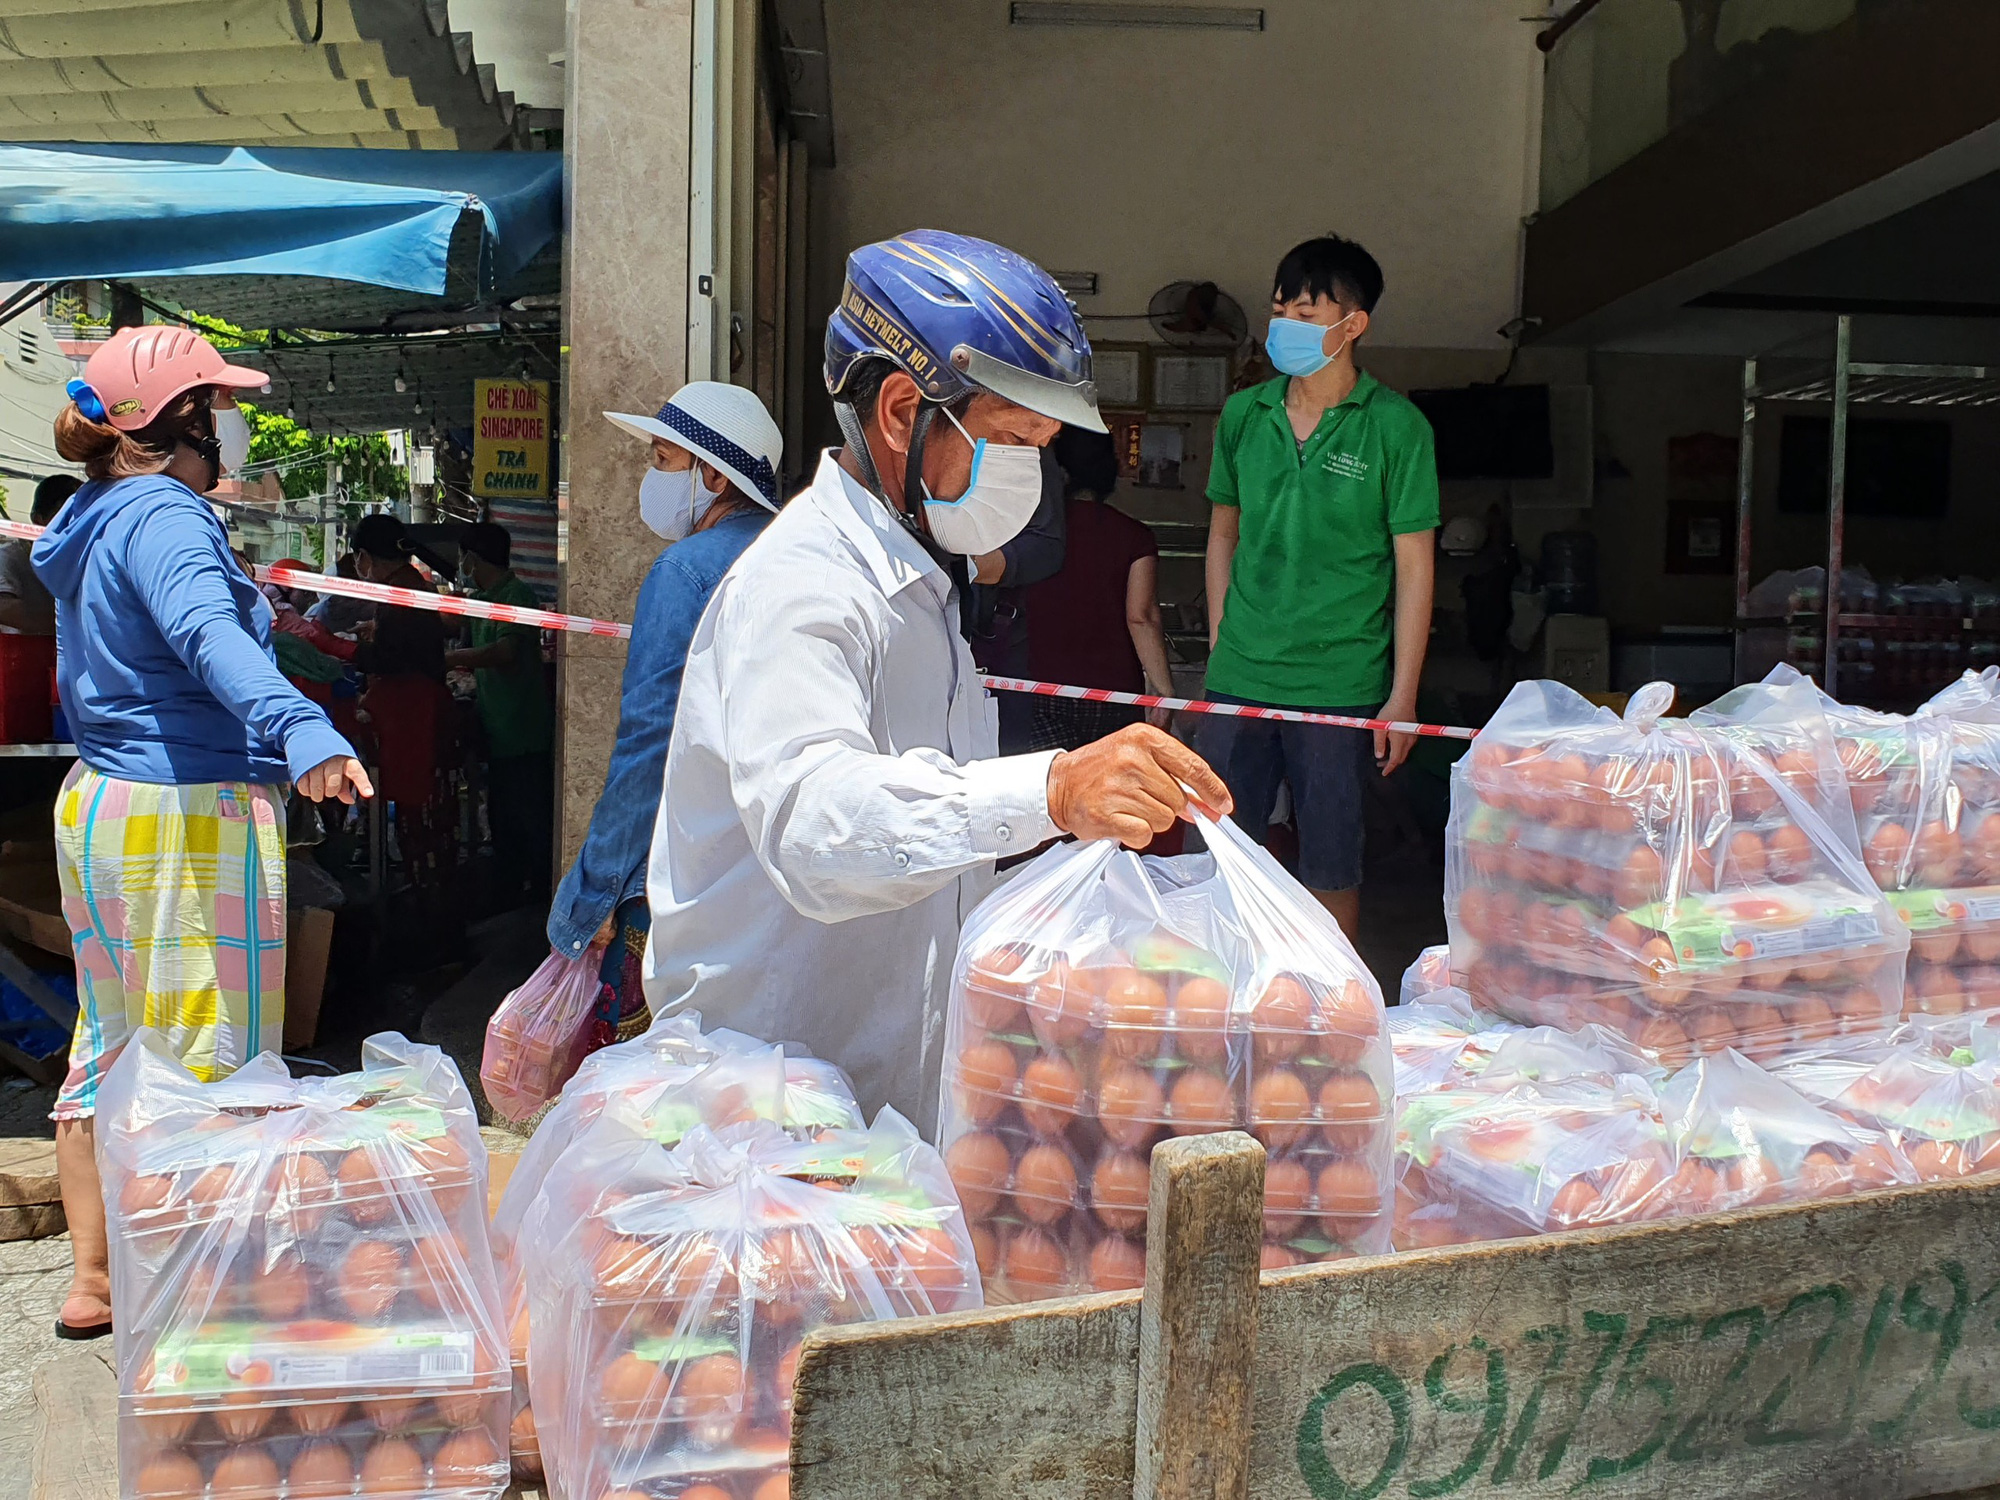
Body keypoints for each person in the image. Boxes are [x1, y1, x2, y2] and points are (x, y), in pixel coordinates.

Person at [644, 230, 1231, 1124]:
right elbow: (816, 830)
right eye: (1010, 439)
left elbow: (928, 847)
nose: (1027, 475)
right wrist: (1055, 787)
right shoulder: (805, 587)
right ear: (897, 411)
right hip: (767, 1116)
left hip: (874, 1110)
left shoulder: (920, 587)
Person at [34, 325, 371, 1339]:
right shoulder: (165, 517)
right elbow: (207, 635)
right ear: (182, 419)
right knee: (206, 1063)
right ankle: (200, 1298)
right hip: (185, 810)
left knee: (114, 1042)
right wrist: (301, 726)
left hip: (104, 806)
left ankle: (96, 1279)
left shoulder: (97, 514)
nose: (232, 422)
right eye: (220, 403)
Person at [1200, 235, 1438, 939]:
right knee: (1221, 854)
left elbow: (1415, 565)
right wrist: (1220, 639)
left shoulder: (1397, 428)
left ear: (1353, 323)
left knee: (1331, 864)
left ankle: (1331, 1014)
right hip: (1240, 677)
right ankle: (1218, 1003)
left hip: (1340, 685)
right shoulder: (1246, 416)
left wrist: (1403, 695)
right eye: (1281, 310)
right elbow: (1222, 534)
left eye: (1307, 313)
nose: (1287, 328)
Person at [546, 383, 783, 1041]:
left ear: (714, 472)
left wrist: (595, 890)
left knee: (658, 1086)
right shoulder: (802, 557)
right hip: (779, 872)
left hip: (690, 872)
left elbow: (654, 736)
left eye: (662, 460)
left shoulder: (687, 570)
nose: (651, 479)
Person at [1022, 425, 1174, 751]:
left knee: (1052, 795)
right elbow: (1141, 617)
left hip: (1038, 692)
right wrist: (1164, 693)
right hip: (1116, 699)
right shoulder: (1134, 536)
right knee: (1111, 797)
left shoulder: (1030, 533)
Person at [348, 513, 458, 922]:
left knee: (420, 818)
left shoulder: (400, 593)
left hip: (412, 718)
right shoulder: (409, 586)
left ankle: (429, 918)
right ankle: (430, 907)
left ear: (363, 556)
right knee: (427, 816)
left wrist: (340, 649)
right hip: (419, 713)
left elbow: (393, 658)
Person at [447, 522, 556, 905]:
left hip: (523, 729)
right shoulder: (482, 597)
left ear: (472, 558)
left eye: (463, 557)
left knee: (529, 818)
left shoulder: (518, 596)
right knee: (502, 817)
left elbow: (505, 652)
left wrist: (451, 658)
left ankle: (537, 894)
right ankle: (508, 890)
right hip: (497, 727)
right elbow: (452, 618)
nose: (461, 564)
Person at [0, 474, 78, 634]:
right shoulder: (10, 557)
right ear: (38, 519)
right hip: (20, 654)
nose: (74, 527)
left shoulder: (79, 560)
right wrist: (73, 620)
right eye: (65, 518)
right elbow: (3, 606)